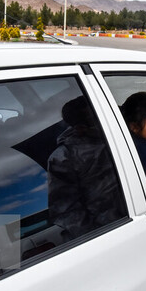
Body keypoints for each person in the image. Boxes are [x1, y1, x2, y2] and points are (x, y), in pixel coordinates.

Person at [47, 96, 126, 241]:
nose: (107, 121)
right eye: (96, 119)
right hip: (108, 233)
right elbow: (68, 214)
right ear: (80, 128)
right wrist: (99, 238)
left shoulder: (118, 137)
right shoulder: (64, 158)